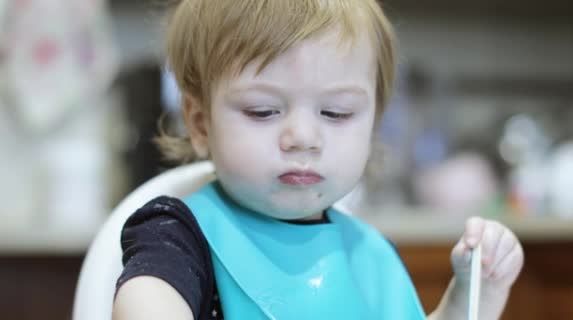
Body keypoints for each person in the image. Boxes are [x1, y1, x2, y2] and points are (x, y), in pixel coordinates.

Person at [112, 1, 524, 319]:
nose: (304, 138)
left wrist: (473, 294)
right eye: (262, 111)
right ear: (201, 124)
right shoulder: (178, 236)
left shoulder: (369, 256)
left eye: (336, 113)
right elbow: (148, 300)